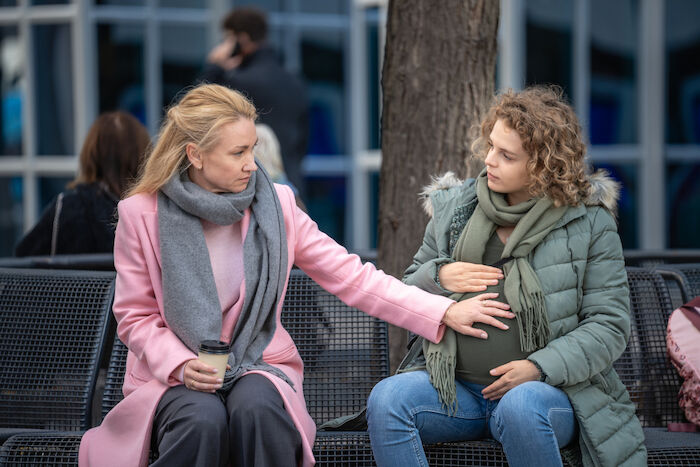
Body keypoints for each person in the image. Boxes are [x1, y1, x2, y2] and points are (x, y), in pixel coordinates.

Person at [78, 83, 514, 467]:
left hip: (258, 364)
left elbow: (355, 277)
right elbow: (135, 317)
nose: (253, 164)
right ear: (195, 154)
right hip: (171, 374)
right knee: (201, 420)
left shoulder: (278, 206)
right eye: (238, 153)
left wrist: (441, 313)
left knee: (258, 409)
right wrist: (180, 364)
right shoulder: (141, 215)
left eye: (252, 149)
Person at [366, 86, 647, 467]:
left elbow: (609, 325)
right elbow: (411, 284)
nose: (489, 161)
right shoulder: (456, 208)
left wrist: (538, 368)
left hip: (551, 393)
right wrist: (441, 274)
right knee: (387, 400)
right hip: (457, 389)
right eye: (491, 146)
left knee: (521, 406)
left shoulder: (589, 222)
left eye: (506, 155)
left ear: (543, 165)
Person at [200, 6, 309, 200]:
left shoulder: (236, 82)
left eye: (228, 39)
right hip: (291, 184)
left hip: (253, 188)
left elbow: (197, 109)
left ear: (241, 40)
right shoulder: (295, 82)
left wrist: (214, 67)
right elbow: (303, 140)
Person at [14, 111, 149, 257]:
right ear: (143, 157)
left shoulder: (66, 206)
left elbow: (22, 260)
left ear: (90, 154)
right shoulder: (147, 212)